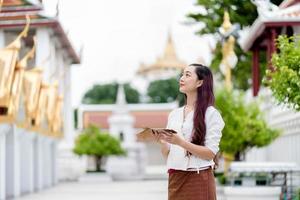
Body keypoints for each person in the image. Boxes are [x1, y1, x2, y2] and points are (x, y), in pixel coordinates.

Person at [155, 63, 225, 200]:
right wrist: (163, 142)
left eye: (187, 75)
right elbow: (167, 154)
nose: (182, 78)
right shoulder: (174, 114)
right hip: (175, 177)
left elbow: (210, 153)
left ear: (200, 82)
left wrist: (181, 142)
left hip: (199, 177)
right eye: (182, 74)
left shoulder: (211, 114)